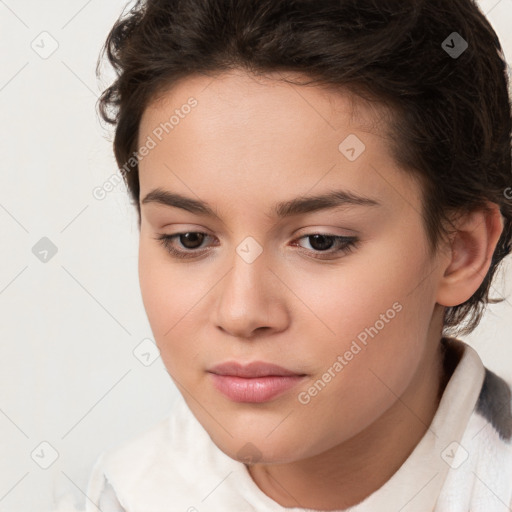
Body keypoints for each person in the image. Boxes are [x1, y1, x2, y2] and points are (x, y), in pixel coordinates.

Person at [85, 0, 512, 510]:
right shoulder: (127, 492)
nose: (241, 312)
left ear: (460, 252)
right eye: (190, 239)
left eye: (320, 241)